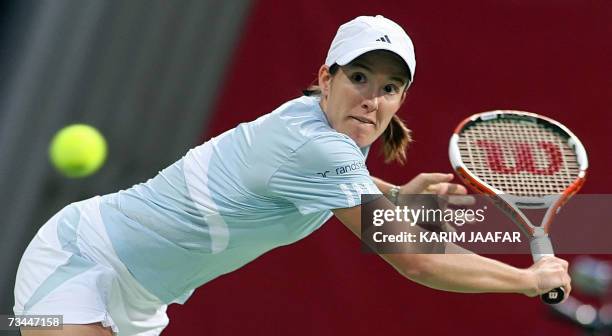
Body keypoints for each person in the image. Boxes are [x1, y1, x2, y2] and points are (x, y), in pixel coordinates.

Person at [13, 15, 571, 336]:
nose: (372, 99)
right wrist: (527, 279)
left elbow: (320, 187)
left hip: (141, 300)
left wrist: (394, 193)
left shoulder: (313, 129)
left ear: (402, 100)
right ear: (324, 78)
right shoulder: (316, 147)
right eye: (359, 76)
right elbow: (419, 260)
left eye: (390, 88)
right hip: (81, 259)